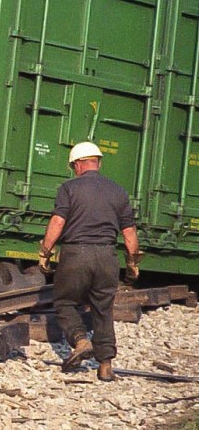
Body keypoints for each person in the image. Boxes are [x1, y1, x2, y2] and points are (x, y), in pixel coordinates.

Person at [38, 142, 141, 382]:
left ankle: (80, 340)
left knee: (64, 302)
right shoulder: (118, 191)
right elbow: (129, 232)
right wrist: (132, 263)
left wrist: (45, 252)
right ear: (98, 163)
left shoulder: (69, 188)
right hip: (107, 256)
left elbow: (57, 222)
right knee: (103, 309)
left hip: (76, 253)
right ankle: (105, 366)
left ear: (78, 164)